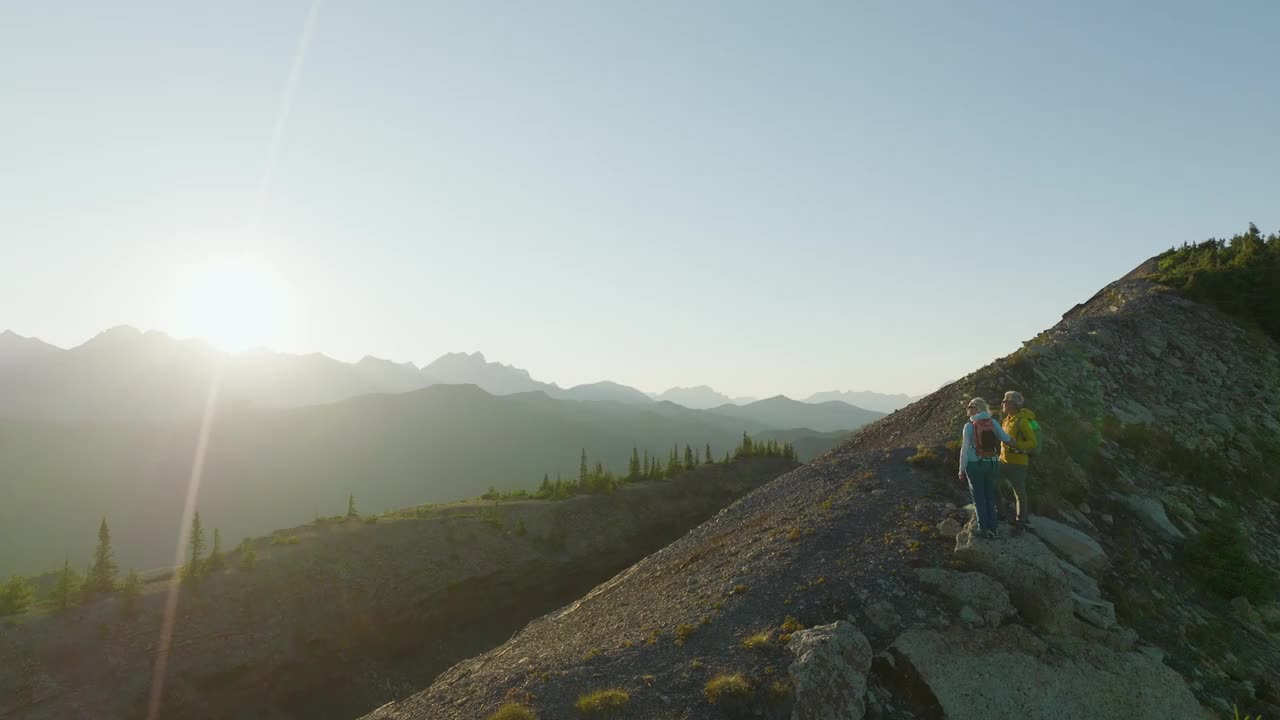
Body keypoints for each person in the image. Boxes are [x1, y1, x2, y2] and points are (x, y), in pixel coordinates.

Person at [959, 397, 1016, 539]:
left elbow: (964, 449)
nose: (968, 410)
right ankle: (993, 528)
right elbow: (1006, 438)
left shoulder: (969, 426)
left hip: (974, 464)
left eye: (970, 407)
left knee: (979, 498)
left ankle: (983, 529)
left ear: (976, 409)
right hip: (992, 463)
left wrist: (961, 469)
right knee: (990, 496)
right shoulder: (993, 423)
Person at [999, 390, 1038, 535]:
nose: (1002, 403)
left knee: (1019, 494)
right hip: (1002, 461)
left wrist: (1017, 445)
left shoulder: (1021, 422)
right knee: (992, 484)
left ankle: (1020, 523)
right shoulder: (1006, 420)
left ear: (1013, 404)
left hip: (1018, 463)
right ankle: (1001, 514)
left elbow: (1032, 442)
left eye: (1005, 401)